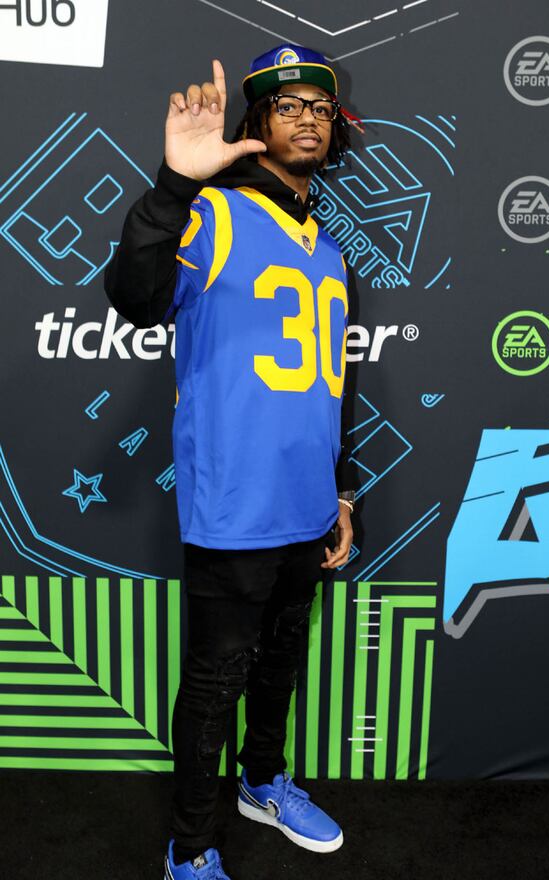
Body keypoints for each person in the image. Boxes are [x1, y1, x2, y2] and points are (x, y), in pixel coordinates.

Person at [104, 43, 361, 880]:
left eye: (319, 107)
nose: (306, 119)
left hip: (308, 504)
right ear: (256, 122)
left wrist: (343, 491)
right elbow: (134, 297)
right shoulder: (210, 214)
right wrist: (174, 185)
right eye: (287, 106)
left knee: (280, 664)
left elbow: (336, 383)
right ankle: (189, 848)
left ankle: (262, 784)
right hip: (233, 504)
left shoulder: (332, 249)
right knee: (215, 683)